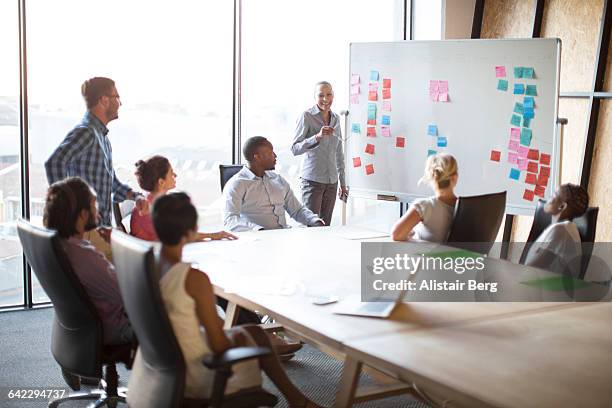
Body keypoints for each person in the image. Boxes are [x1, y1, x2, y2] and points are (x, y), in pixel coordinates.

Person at [152, 193, 320, 406]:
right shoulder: (193, 279)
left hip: (164, 362)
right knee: (242, 335)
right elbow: (219, 343)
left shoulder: (150, 263)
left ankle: (297, 400)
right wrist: (233, 336)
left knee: (255, 332)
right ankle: (297, 400)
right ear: (190, 232)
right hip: (196, 371)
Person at [44, 77, 147, 259]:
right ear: (104, 100)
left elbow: (112, 183)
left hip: (102, 232)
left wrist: (135, 196)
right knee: (143, 267)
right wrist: (68, 210)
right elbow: (54, 163)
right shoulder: (87, 132)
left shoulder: (102, 138)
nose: (120, 103)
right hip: (89, 234)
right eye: (117, 97)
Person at [43, 177, 133, 346]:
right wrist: (124, 249)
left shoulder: (62, 247)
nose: (98, 211)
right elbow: (129, 297)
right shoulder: (85, 257)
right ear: (83, 214)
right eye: (94, 205)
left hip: (76, 332)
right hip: (115, 329)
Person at [224, 136, 324, 232]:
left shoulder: (278, 180)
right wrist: (257, 230)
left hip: (284, 236)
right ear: (257, 157)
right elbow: (230, 220)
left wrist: (315, 220)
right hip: (258, 241)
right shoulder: (237, 184)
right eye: (270, 152)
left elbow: (297, 210)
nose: (275, 156)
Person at [131, 155, 237, 242]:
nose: (175, 175)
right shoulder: (149, 209)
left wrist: (213, 235)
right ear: (161, 182)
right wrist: (213, 235)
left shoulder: (156, 203)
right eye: (171, 173)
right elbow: (177, 236)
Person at [291, 81, 348, 226]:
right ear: (315, 97)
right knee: (311, 227)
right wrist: (317, 137)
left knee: (325, 227)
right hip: (312, 181)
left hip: (331, 182)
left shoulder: (336, 119)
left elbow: (338, 152)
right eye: (321, 95)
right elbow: (295, 149)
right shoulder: (307, 116)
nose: (325, 99)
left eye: (329, 94)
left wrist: (343, 182)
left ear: (333, 96)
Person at [524, 183, 589, 277]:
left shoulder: (560, 230)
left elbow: (531, 268)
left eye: (552, 196)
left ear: (562, 206)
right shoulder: (564, 227)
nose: (548, 198)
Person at [391, 154, 458, 242]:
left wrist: (410, 234)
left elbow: (396, 235)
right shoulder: (470, 206)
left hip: (427, 255)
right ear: (455, 177)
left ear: (430, 176)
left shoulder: (425, 206)